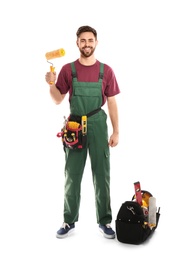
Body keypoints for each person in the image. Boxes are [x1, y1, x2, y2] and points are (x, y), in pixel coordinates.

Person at [45, 25, 120, 239]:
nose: (87, 44)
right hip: (74, 127)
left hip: (98, 124)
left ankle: (105, 221)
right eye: (83, 40)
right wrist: (51, 84)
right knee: (72, 176)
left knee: (102, 175)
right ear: (77, 43)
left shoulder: (106, 71)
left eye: (90, 40)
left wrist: (116, 131)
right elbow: (58, 99)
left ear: (96, 42)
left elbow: (112, 103)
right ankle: (68, 221)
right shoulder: (69, 70)